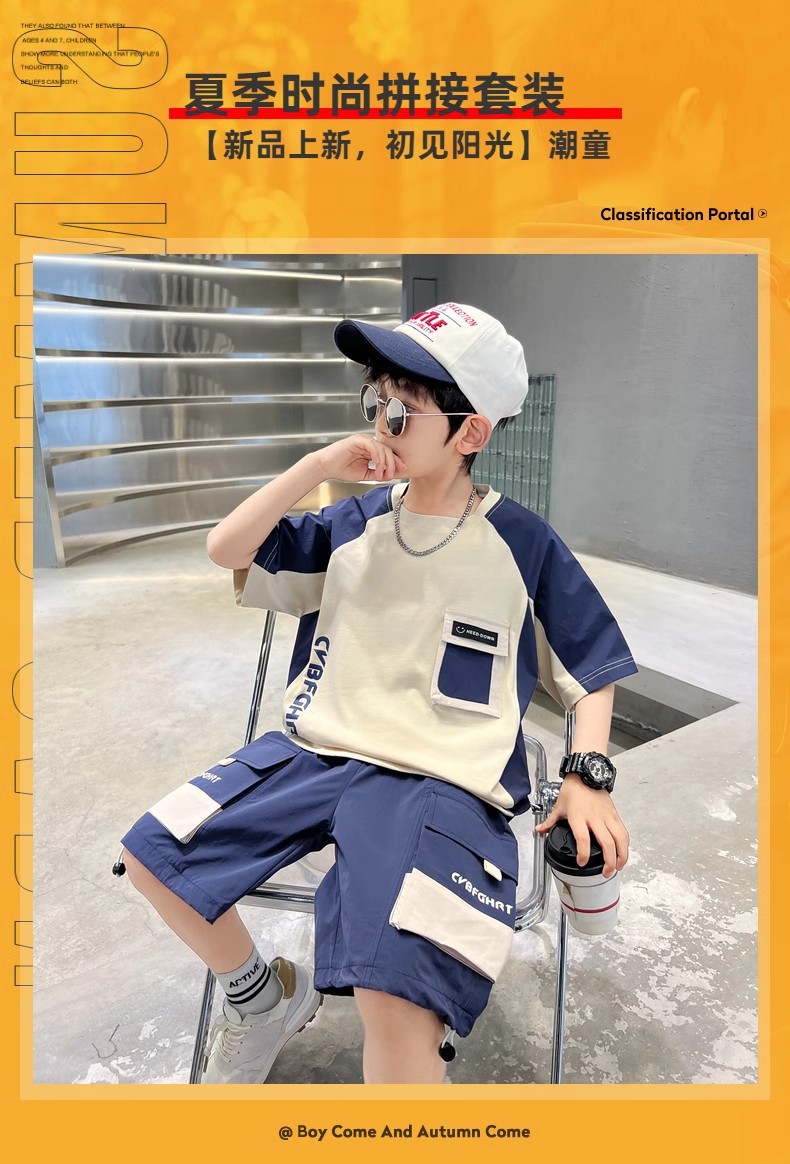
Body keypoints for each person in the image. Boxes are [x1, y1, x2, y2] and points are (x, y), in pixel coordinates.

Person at [119, 301, 638, 1085]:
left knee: (389, 994)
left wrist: (587, 774)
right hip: (315, 751)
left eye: (402, 411)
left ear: (470, 432)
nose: (380, 424)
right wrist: (316, 467)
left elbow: (590, 665)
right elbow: (226, 548)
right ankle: (261, 998)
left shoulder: (521, 543)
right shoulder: (351, 522)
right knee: (154, 854)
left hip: (444, 780)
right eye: (375, 402)